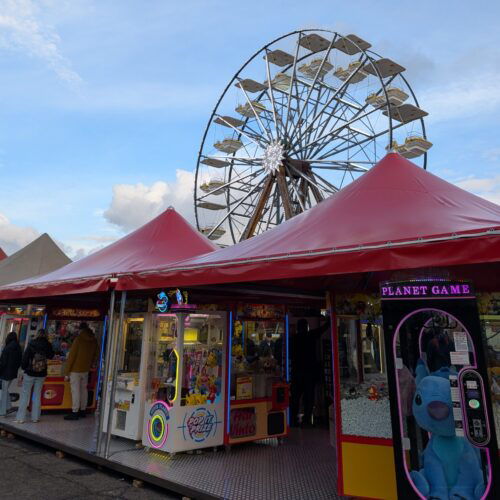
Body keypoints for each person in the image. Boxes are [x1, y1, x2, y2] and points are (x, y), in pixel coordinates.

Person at [290, 317, 330, 427]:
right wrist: (330, 318)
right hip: (309, 373)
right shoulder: (311, 335)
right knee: (309, 398)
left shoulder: (293, 339)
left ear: (298, 328)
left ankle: (293, 419)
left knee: (295, 398)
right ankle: (306, 420)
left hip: (296, 373)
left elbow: (289, 355)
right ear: (306, 327)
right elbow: (323, 328)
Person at [15, 328, 54, 423]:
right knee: (37, 395)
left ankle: (20, 418)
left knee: (25, 394)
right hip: (41, 373)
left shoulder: (32, 343)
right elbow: (51, 356)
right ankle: (35, 418)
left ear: (37, 334)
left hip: (30, 372)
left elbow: (25, 357)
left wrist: (24, 368)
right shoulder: (48, 345)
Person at [63, 324, 98, 420]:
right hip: (85, 369)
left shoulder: (78, 339)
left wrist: (66, 372)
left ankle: (75, 412)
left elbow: (71, 357)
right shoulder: (94, 340)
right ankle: (83, 410)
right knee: (84, 390)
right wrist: (91, 363)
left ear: (81, 330)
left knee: (75, 391)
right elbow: (97, 354)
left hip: (75, 370)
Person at [0, 332, 22, 417]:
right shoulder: (18, 347)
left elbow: (3, 362)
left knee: (4, 391)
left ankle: (2, 412)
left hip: (5, 373)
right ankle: (8, 407)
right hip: (13, 373)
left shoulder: (7, 348)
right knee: (5, 390)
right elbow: (20, 361)